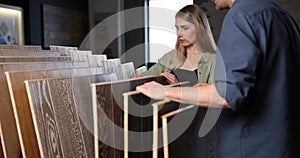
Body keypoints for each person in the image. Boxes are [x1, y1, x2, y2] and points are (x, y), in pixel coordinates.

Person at [137, 0, 300, 158]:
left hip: (252, 147)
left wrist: (165, 92)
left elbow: (227, 95)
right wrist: (204, 89)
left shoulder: (240, 16)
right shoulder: (280, 14)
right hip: (284, 144)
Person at [138, 4, 219, 158]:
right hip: (171, 131)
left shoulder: (213, 59)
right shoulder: (171, 57)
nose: (179, 33)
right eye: (177, 28)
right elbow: (146, 78)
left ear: (200, 28)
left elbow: (215, 99)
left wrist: (178, 87)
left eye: (185, 28)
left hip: (201, 132)